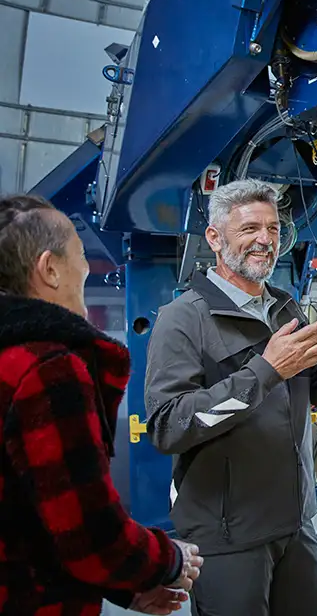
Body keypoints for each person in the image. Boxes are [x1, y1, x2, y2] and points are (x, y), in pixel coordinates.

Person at [144, 179, 317, 616]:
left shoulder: (283, 306)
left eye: (273, 229)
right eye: (250, 228)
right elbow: (169, 425)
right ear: (215, 239)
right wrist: (266, 371)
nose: (265, 240)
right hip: (227, 539)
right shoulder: (183, 319)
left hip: (294, 525)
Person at [0, 195, 202, 616]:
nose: (87, 266)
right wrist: (170, 561)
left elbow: (34, 518)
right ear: (49, 269)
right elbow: (89, 534)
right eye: (78, 252)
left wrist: (123, 589)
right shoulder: (48, 369)